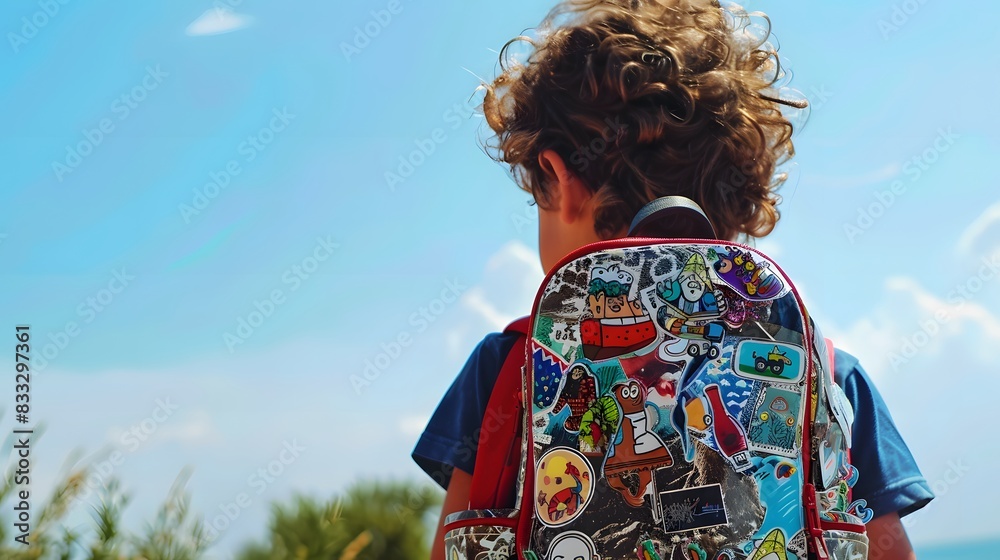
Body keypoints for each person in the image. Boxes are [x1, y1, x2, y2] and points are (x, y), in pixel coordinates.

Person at [411, 1, 934, 558]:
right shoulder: (830, 376)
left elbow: (456, 546)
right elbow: (885, 549)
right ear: (738, 200)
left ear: (557, 179)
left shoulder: (503, 369)